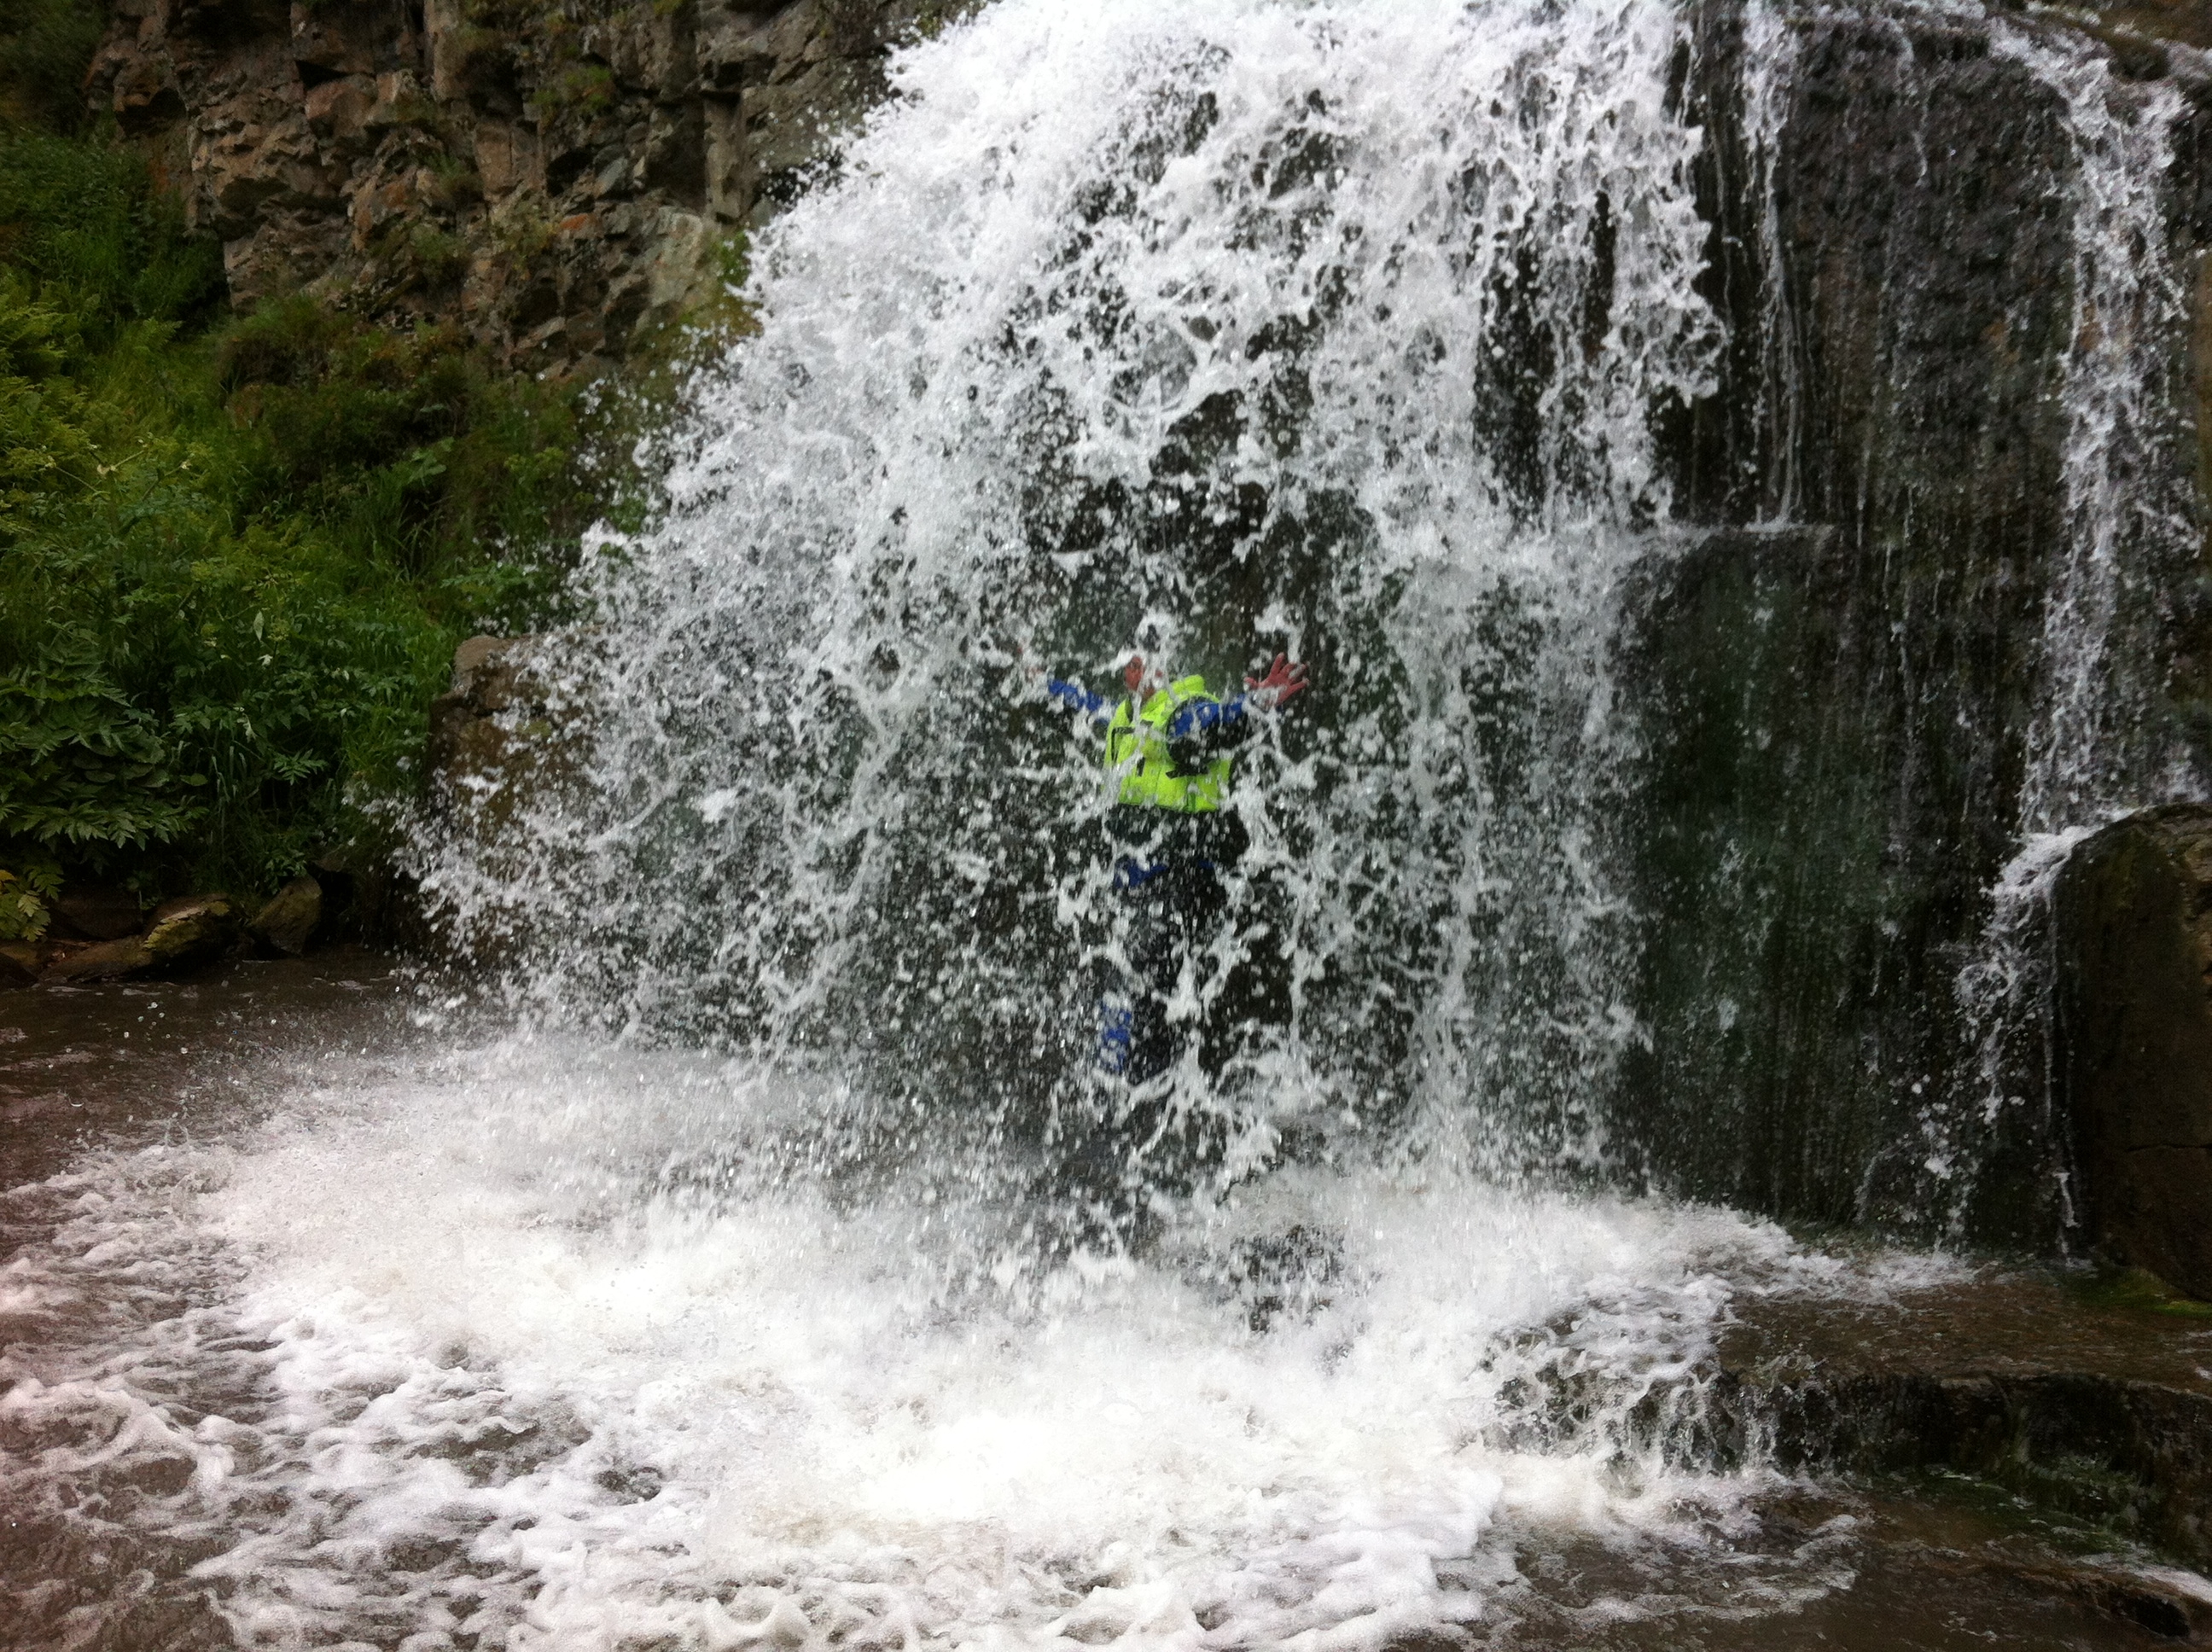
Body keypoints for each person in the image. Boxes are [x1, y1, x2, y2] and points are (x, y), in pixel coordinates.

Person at [1037, 646, 1309, 1185]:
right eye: (1130, 667)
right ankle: (1139, 1124)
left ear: (1166, 667)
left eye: (1146, 664)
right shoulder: (1124, 717)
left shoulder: (1184, 707)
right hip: (1143, 886)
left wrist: (1255, 705)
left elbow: (1213, 723)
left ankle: (1138, 1129)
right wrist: (1040, 680)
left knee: (1147, 994)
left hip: (1189, 880)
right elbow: (1083, 704)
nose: (1137, 674)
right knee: (1142, 998)